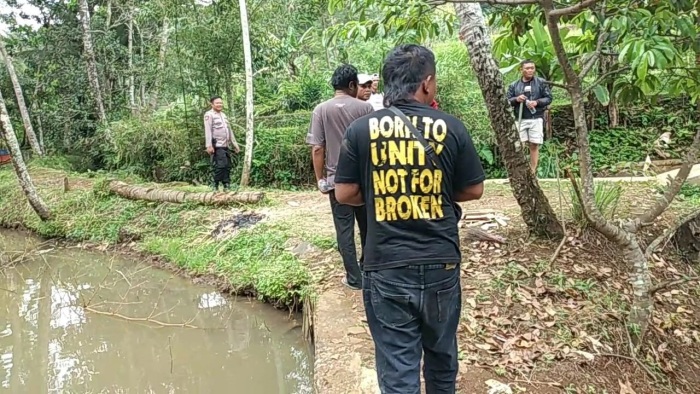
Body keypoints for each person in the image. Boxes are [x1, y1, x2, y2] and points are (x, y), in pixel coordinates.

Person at [334, 44, 486, 394]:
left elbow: (344, 194)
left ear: (387, 83)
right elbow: (474, 190)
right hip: (441, 264)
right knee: (441, 357)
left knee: (398, 367)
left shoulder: (361, 130)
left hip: (386, 265)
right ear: (427, 83)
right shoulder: (452, 127)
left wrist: (381, 195)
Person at [306, 64, 374, 290]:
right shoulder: (365, 109)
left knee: (344, 230)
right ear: (353, 84)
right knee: (368, 226)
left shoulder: (321, 110)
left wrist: (320, 179)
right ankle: (369, 270)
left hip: (337, 183)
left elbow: (317, 148)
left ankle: (354, 278)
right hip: (365, 181)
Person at [507, 59, 552, 174]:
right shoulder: (514, 85)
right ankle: (519, 172)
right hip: (520, 118)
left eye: (532, 68)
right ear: (521, 69)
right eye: (527, 68)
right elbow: (507, 100)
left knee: (534, 144)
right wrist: (516, 99)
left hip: (536, 118)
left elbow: (548, 98)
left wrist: (537, 102)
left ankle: (532, 172)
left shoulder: (541, 82)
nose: (530, 70)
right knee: (518, 145)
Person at [204, 95, 240, 191]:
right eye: (217, 103)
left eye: (221, 103)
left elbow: (229, 130)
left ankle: (226, 185)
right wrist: (209, 145)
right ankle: (214, 184)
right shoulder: (209, 115)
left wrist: (235, 144)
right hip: (217, 145)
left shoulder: (223, 115)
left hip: (226, 145)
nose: (219, 104)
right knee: (221, 165)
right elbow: (208, 130)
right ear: (212, 104)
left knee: (228, 165)